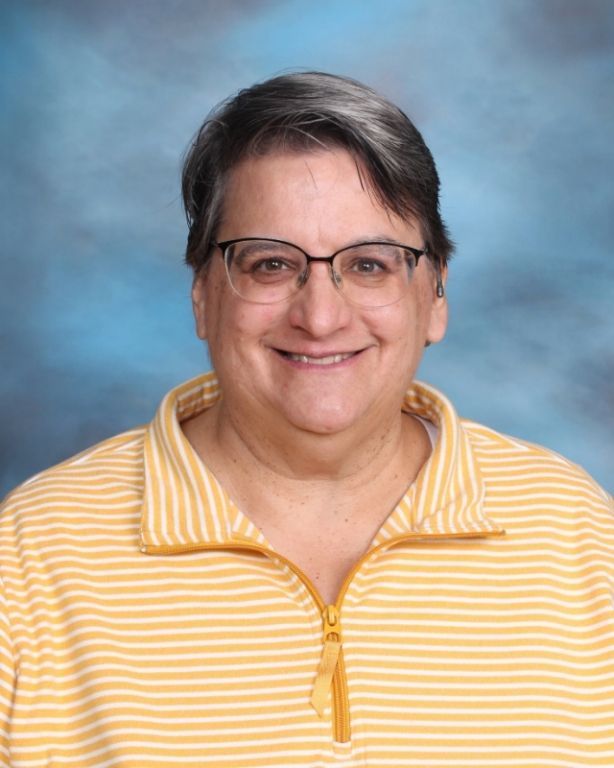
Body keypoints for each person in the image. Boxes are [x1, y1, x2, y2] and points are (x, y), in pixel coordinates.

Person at [1, 72, 612, 768]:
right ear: (202, 295)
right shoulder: (31, 560)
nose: (320, 316)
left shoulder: (577, 537)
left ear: (436, 294)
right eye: (270, 264)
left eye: (370, 265)